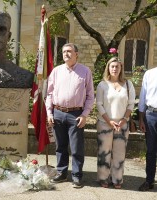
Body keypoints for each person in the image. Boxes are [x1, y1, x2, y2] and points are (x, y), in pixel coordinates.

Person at [46, 43, 95, 188]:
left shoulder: (85, 71)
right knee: (60, 146)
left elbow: (90, 96)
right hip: (58, 113)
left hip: (76, 114)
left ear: (76, 54)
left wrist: (85, 115)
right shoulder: (56, 71)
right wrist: (49, 112)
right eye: (63, 51)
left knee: (76, 147)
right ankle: (61, 173)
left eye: (69, 51)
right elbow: (49, 93)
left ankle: (77, 176)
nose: (66, 54)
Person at [96, 57, 135, 189]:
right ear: (108, 68)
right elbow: (99, 105)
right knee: (104, 152)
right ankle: (103, 178)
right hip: (104, 123)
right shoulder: (102, 85)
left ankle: (117, 179)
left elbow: (130, 104)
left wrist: (123, 120)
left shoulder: (128, 85)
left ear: (121, 69)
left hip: (122, 124)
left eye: (117, 67)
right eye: (112, 66)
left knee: (119, 153)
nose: (114, 69)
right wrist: (110, 121)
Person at [138, 66, 157, 191]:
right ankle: (149, 181)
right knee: (151, 151)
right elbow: (143, 96)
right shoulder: (149, 74)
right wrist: (141, 119)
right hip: (151, 116)